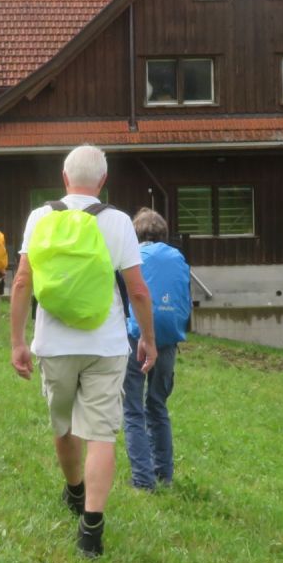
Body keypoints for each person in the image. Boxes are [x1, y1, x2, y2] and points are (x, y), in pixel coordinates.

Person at [10, 145, 155, 559]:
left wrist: (18, 342)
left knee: (64, 423)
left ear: (64, 176)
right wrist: (147, 337)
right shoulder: (119, 222)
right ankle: (91, 528)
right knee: (101, 434)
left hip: (54, 345)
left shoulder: (40, 217)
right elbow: (138, 290)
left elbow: (22, 282)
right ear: (103, 182)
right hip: (106, 345)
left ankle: (74, 492)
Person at [122, 208, 190, 491]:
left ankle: (142, 480)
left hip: (137, 338)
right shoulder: (178, 257)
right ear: (163, 233)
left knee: (133, 408)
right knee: (158, 405)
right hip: (168, 340)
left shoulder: (134, 257)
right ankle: (164, 474)